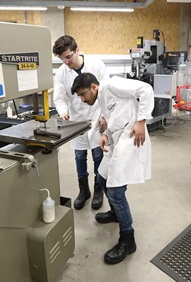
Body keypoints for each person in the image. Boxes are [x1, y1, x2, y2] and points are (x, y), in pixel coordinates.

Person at [71, 72, 154, 265]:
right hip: (117, 139)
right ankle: (117, 214)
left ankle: (128, 239)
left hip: (131, 137)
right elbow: (115, 116)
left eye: (83, 94)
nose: (82, 100)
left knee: (116, 192)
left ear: (93, 87)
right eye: (80, 97)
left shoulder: (110, 85)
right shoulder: (101, 99)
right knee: (102, 177)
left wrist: (141, 121)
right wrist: (105, 133)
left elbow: (146, 89)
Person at [52, 36, 109, 210]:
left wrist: (105, 115)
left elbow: (106, 91)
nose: (66, 61)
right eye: (62, 58)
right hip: (77, 121)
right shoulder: (62, 72)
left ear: (77, 50)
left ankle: (98, 189)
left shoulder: (97, 64)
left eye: (68, 57)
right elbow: (60, 98)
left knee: (98, 156)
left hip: (97, 116)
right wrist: (63, 112)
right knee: (79, 157)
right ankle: (84, 191)